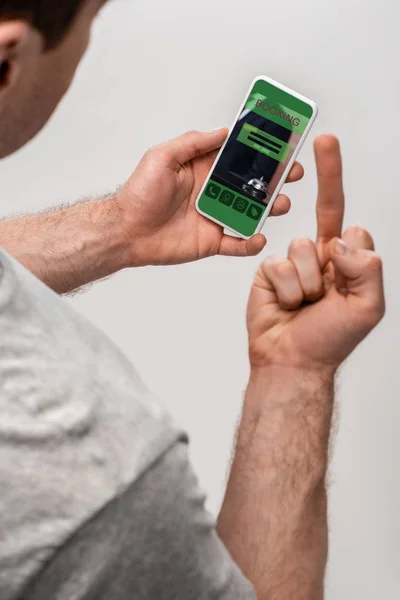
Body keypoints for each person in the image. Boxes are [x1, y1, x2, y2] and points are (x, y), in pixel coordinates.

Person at [0, 1, 385, 599]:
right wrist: (294, 373)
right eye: (94, 18)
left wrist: (119, 229)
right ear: (8, 60)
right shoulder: (83, 467)